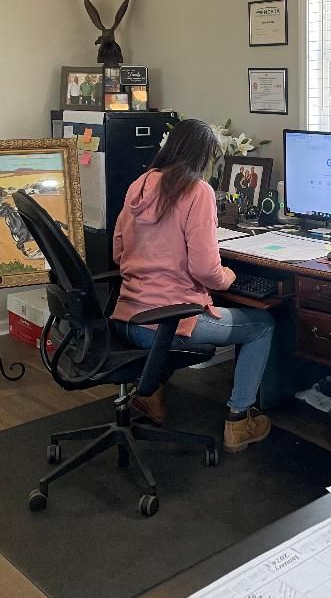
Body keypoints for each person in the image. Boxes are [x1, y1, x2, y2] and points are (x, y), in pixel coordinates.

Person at [110, 118, 275, 452]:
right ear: (204, 157)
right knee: (264, 324)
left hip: (127, 318)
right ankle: (238, 420)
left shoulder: (140, 184)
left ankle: (151, 395)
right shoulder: (198, 191)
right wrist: (229, 277)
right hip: (167, 323)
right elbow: (205, 269)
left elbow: (117, 252)